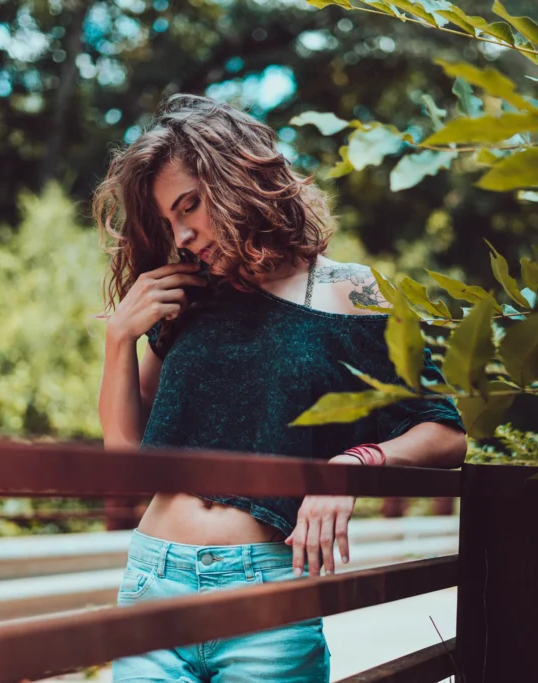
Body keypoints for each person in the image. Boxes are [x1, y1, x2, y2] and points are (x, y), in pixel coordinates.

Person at [93, 94, 468, 683]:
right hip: (152, 582)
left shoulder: (357, 291)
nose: (184, 235)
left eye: (191, 207)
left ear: (239, 175)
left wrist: (350, 466)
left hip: (268, 593)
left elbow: (445, 431)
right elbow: (124, 460)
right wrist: (120, 340)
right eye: (171, 222)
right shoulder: (189, 296)